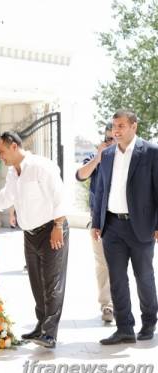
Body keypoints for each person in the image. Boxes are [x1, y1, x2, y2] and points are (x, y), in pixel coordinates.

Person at [0, 131, 68, 349]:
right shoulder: (12, 172)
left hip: (51, 230)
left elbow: (60, 197)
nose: (0, 156)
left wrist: (58, 226)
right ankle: (41, 325)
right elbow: (6, 197)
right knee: (36, 282)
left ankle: (49, 334)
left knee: (52, 283)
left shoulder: (41, 166)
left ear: (14, 146)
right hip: (30, 234)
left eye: (2, 151)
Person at [92, 110, 158, 345]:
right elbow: (101, 189)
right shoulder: (108, 154)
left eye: (121, 126)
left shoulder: (151, 152)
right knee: (117, 279)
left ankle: (149, 322)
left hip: (141, 226)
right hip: (112, 226)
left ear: (134, 126)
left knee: (144, 277)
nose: (116, 131)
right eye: (114, 126)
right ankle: (124, 328)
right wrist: (97, 221)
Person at [75, 123, 115, 322]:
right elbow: (80, 175)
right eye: (107, 139)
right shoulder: (96, 157)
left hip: (125, 220)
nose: (110, 142)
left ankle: (122, 305)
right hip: (100, 220)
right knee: (102, 264)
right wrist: (99, 157)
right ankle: (108, 305)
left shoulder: (130, 157)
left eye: (114, 138)